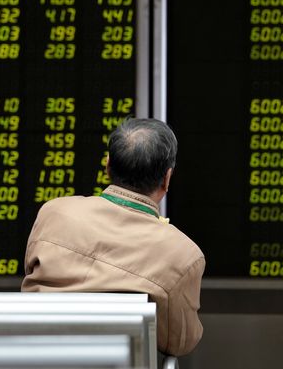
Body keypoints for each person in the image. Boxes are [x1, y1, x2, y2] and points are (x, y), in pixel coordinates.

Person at [21, 118, 205, 357]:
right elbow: (180, 343)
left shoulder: (52, 213)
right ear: (167, 178)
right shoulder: (184, 254)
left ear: (108, 166)